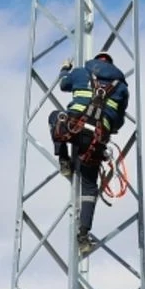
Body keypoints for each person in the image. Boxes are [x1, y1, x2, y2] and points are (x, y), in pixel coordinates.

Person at [48, 51, 129, 255]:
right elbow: (118, 122)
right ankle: (83, 235)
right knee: (89, 187)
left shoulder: (81, 72)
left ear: (95, 61)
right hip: (96, 139)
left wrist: (64, 68)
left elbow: (64, 85)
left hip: (72, 127)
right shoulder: (121, 87)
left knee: (55, 118)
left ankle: (64, 160)